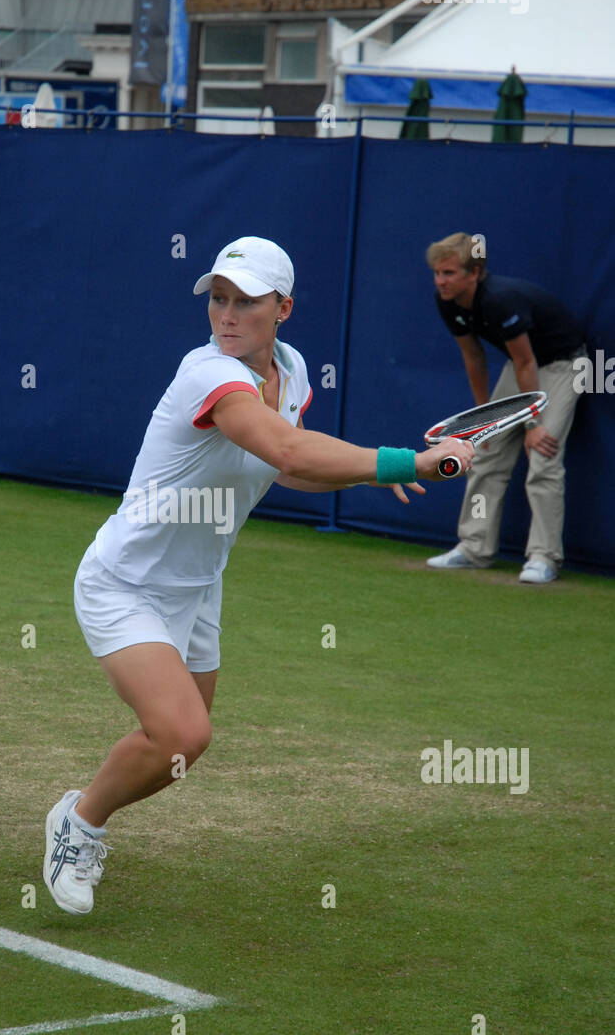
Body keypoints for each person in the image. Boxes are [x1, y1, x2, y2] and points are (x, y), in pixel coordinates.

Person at [43, 236, 473, 915]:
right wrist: (404, 463)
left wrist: (375, 469)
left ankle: (86, 813)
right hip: (124, 583)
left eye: (246, 300)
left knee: (180, 745)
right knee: (183, 735)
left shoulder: (292, 374)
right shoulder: (208, 373)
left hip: (199, 585)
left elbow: (291, 467)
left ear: (284, 309)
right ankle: (78, 823)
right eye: (218, 298)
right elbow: (281, 443)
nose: (228, 313)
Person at [425, 232, 586, 584]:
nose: (441, 281)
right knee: (485, 452)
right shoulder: (447, 302)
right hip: (521, 368)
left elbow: (527, 361)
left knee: (543, 456)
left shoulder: (500, 300)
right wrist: (483, 420)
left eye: (449, 273)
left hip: (564, 366)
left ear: (475, 273)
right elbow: (473, 357)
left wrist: (533, 426)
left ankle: (544, 558)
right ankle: (474, 547)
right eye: (437, 273)